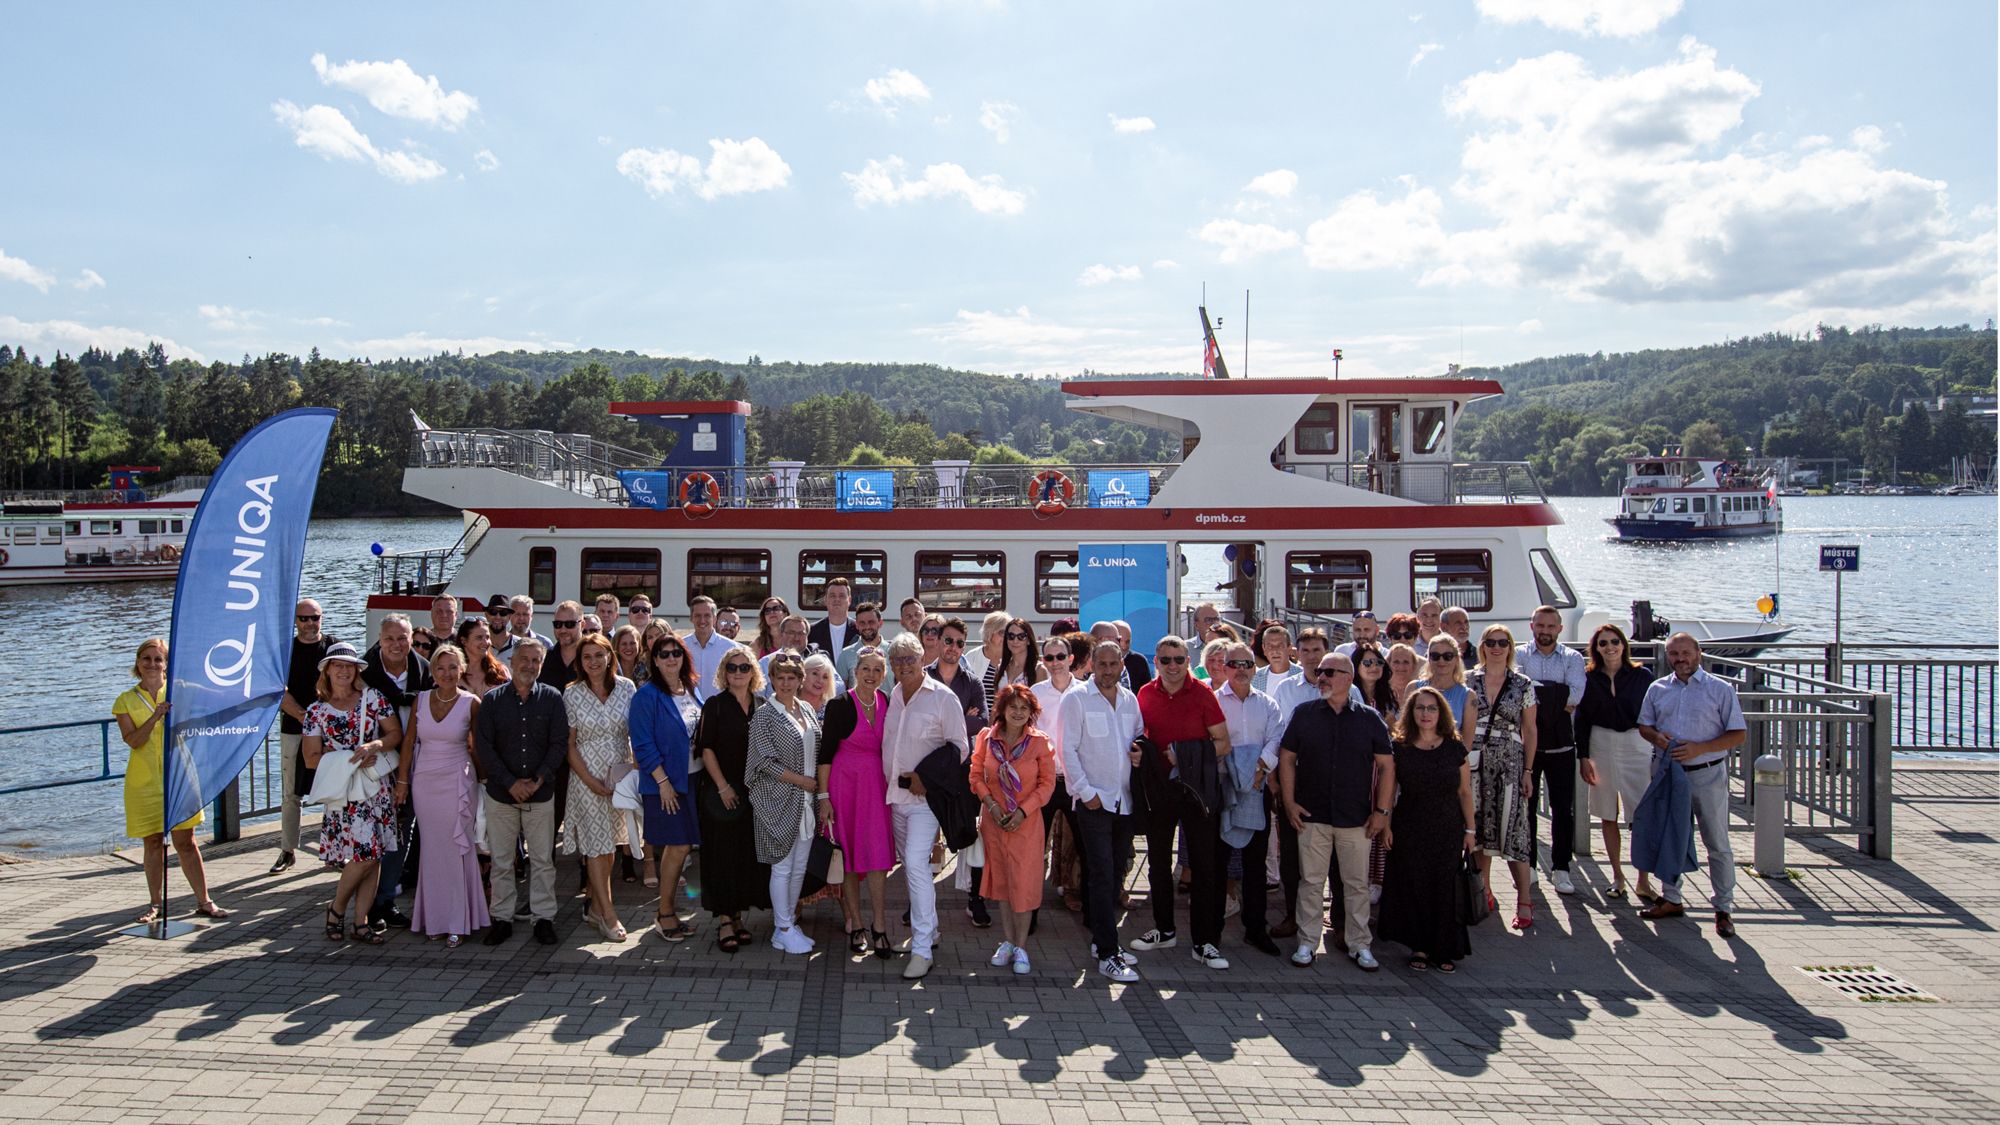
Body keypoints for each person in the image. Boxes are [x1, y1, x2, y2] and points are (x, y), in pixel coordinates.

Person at [1278, 652, 1393, 970]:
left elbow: (1387, 766)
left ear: (1348, 677)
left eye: (1329, 671)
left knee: (1356, 884)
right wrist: (1288, 802)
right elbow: (1286, 757)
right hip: (1312, 815)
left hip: (1356, 817)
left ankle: (1360, 944)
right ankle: (1307, 942)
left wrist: (1382, 811)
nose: (1322, 677)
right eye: (1319, 672)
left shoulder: (1369, 718)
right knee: (1310, 882)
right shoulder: (1304, 714)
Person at [1132, 635, 1234, 970]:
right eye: (1165, 660)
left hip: (1197, 790)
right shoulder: (1145, 694)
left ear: (1188, 661)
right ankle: (1164, 929)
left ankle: (1204, 941)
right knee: (1158, 863)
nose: (1172, 666)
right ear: (1156, 662)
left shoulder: (1202, 693)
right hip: (1160, 790)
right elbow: (1138, 735)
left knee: (1204, 866)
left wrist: (1184, 756)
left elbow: (1223, 743)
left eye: (1178, 659)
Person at [1637, 633, 1747, 938]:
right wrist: (1657, 738)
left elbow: (1738, 734)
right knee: (1670, 835)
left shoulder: (1720, 689)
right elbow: (1645, 725)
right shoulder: (1657, 688)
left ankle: (1723, 908)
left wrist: (1702, 748)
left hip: (1707, 773)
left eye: (1685, 652)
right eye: (1674, 654)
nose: (1680, 659)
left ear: (1698, 653)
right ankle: (1671, 897)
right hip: (1670, 773)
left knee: (1717, 842)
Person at [116, 637, 225, 924]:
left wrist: (262, 690)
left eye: (158, 659)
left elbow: (218, 695)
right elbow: (134, 741)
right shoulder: (125, 701)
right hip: (144, 782)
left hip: (180, 775)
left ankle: (205, 901)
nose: (152, 664)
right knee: (152, 843)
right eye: (146, 659)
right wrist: (155, 717)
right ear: (138, 664)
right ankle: (155, 904)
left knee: (186, 841)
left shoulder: (179, 691)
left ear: (166, 664)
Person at [882, 632, 971, 979]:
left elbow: (960, 747)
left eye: (909, 658)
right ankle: (930, 929)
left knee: (918, 865)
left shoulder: (943, 698)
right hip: (895, 797)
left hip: (924, 799)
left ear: (923, 659)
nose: (903, 665)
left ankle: (921, 949)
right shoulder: (893, 694)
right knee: (909, 865)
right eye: (897, 660)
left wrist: (926, 777)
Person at [302, 641, 403, 944]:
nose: (343, 671)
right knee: (366, 854)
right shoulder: (315, 711)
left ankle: (361, 922)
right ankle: (337, 908)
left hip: (375, 788)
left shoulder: (373, 699)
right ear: (327, 671)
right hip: (345, 792)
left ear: (357, 670)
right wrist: (351, 759)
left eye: (348, 666)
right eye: (337, 666)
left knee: (373, 856)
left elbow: (395, 734)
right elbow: (310, 758)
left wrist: (374, 745)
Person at [475, 639, 570, 947]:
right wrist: (510, 782)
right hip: (502, 794)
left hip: (540, 794)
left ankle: (543, 917)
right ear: (512, 662)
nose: (530, 665)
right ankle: (501, 918)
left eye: (536, 661)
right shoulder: (492, 700)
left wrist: (537, 779)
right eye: (524, 659)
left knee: (542, 859)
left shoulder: (553, 698)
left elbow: (559, 743)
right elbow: (484, 746)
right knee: (502, 860)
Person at [1374, 686, 1474, 972]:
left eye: (1431, 708)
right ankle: (1418, 946)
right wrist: (1387, 826)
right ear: (1411, 712)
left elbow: (1465, 792)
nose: (1425, 714)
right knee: (1415, 886)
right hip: (1410, 825)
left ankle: (1443, 948)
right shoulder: (1400, 748)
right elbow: (1390, 791)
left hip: (1447, 827)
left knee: (1443, 887)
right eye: (1420, 708)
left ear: (1441, 712)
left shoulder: (1455, 748)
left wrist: (1470, 831)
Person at [1060, 641, 1144, 981]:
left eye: (1114, 664)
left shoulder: (1129, 700)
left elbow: (1138, 738)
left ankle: (1101, 938)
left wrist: (1141, 753)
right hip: (1094, 801)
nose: (1108, 671)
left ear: (1122, 664)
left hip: (1124, 801)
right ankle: (1108, 953)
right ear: (1091, 664)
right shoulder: (1076, 699)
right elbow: (1068, 749)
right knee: (1100, 872)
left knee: (1114, 873)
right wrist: (1086, 792)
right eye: (1102, 664)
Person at [398, 643, 487, 948]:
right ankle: (434, 919)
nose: (447, 673)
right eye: (440, 667)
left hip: (458, 781)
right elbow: (409, 742)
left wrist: (486, 781)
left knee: (457, 849)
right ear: (432, 671)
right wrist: (402, 782)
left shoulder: (471, 702)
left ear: (462, 669)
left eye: (453, 667)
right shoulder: (420, 700)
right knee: (433, 851)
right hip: (424, 782)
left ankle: (459, 921)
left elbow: (479, 747)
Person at [970, 684, 1058, 975]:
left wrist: (1023, 811)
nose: (1018, 713)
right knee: (1004, 883)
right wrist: (992, 805)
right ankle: (1007, 941)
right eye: (1013, 707)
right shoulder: (987, 738)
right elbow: (976, 774)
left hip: (1026, 823)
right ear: (1003, 710)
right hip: (995, 821)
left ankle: (1022, 946)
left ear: (1032, 713)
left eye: (1024, 708)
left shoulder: (1039, 743)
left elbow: (1047, 785)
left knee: (1024, 882)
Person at [695, 645, 772, 951]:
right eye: (732, 668)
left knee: (744, 856)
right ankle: (725, 919)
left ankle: (738, 916)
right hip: (721, 791)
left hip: (755, 792)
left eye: (744, 667)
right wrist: (723, 787)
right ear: (723, 673)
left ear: (753, 672)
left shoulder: (763, 705)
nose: (738, 673)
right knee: (721, 854)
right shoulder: (714, 705)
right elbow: (706, 747)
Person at [820, 649, 896, 958]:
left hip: (875, 787)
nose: (871, 675)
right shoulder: (839, 705)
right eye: (866, 668)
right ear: (855, 671)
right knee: (849, 857)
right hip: (844, 786)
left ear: (884, 674)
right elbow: (824, 755)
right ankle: (858, 925)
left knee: (878, 858)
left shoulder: (885, 702)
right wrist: (824, 797)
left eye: (878, 670)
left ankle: (880, 926)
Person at [748, 652, 825, 955]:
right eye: (780, 677)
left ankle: (789, 923)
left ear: (799, 680)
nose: (786, 683)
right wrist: (801, 780)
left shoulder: (806, 708)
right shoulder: (765, 715)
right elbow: (762, 761)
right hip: (778, 799)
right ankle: (781, 928)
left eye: (792, 677)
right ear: (772, 680)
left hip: (806, 801)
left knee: (799, 867)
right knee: (781, 866)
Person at [564, 633, 638, 942]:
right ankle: (608, 916)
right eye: (587, 657)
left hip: (619, 779)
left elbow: (634, 734)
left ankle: (595, 907)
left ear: (610, 656)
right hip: (586, 779)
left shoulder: (627, 688)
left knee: (610, 849)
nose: (593, 661)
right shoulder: (571, 694)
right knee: (597, 847)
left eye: (599, 655)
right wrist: (591, 781)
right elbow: (569, 746)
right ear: (580, 662)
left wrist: (632, 771)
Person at [1577, 624, 1658, 902]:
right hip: (1601, 743)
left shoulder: (1641, 676)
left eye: (1614, 641)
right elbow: (1583, 718)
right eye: (1603, 643)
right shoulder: (1589, 678)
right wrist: (1583, 756)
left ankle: (1643, 879)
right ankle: (1617, 876)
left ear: (1623, 645)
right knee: (1607, 813)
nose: (1609, 647)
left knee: (1641, 815)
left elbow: (1654, 712)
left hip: (1635, 744)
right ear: (1595, 648)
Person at [362, 614, 433, 931]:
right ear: (380, 639)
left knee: (401, 834)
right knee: (371, 837)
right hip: (374, 765)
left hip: (417, 762)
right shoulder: (364, 674)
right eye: (389, 638)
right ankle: (364, 903)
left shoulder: (424, 670)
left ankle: (386, 899)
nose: (396, 644)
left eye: (402, 638)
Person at [1467, 625, 1539, 930]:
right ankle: (1483, 892)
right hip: (1474, 759)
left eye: (1503, 643)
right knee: (1479, 829)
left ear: (1510, 648)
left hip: (1508, 761)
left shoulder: (1522, 684)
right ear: (1482, 646)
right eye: (1491, 642)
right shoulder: (1469, 680)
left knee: (1514, 829)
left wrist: (1528, 771)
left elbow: (1530, 730)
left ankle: (1524, 898)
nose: (1497, 647)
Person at [632, 632, 703, 938]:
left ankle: (671, 909)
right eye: (664, 654)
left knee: (685, 845)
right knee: (677, 847)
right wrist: (662, 782)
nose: (671, 658)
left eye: (676, 653)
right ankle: (665, 913)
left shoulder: (690, 689)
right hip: (667, 784)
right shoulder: (646, 696)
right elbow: (643, 744)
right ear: (655, 660)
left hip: (694, 779)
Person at [1214, 642, 1284, 956]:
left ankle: (1255, 928)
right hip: (1223, 788)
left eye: (1247, 664)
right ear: (1224, 667)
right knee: (1219, 862)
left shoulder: (1268, 704)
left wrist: (1260, 768)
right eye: (1234, 664)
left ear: (1254, 669)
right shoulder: (1213, 701)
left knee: (1255, 865)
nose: (1241, 670)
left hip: (1258, 788)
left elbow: (1276, 738)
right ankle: (1211, 929)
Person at [1265, 626, 1330, 940]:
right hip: (1295, 781)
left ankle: (1339, 922)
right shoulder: (1286, 690)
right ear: (1297, 654)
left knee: (1333, 857)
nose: (1312, 656)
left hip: (1333, 785)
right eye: (1306, 651)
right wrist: (1275, 781)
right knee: (1292, 856)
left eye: (1317, 650)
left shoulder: (1347, 686)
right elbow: (1275, 737)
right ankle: (1293, 915)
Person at [928, 616, 991, 927]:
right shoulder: (923, 677)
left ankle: (975, 898)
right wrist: (962, 720)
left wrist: (946, 724)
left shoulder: (972, 682)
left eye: (959, 643)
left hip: (963, 768)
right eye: (948, 640)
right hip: (928, 769)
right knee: (925, 840)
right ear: (938, 640)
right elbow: (919, 723)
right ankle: (920, 903)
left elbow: (984, 724)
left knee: (969, 833)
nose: (953, 647)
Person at [1520, 606, 1587, 896]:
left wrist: (1538, 697)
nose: (1545, 631)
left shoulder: (1573, 658)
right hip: (1527, 745)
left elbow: (1576, 695)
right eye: (1540, 625)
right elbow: (1519, 691)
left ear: (1560, 629)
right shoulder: (1520, 655)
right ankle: (1530, 865)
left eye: (1551, 626)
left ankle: (1561, 868)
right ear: (1532, 625)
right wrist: (1556, 695)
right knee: (1527, 808)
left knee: (1563, 810)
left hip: (1562, 745)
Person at [272, 597, 333, 874]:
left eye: (314, 618)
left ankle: (334, 848)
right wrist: (302, 716)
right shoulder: (284, 650)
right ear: (295, 621)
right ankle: (287, 850)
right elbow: (276, 688)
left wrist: (319, 720)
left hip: (329, 731)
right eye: (303, 618)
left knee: (333, 791)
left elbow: (345, 682)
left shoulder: (332, 647)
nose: (309, 624)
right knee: (291, 792)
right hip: (293, 727)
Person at [1031, 636, 1087, 912]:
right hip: (1045, 780)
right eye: (1049, 658)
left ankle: (1087, 900)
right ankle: (1030, 906)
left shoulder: (1087, 692)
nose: (1055, 663)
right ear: (1043, 661)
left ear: (1071, 659)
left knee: (1083, 844)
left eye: (1060, 657)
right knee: (1036, 846)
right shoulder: (1036, 693)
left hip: (1076, 781)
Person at [1411, 635, 1475, 732]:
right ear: (1428, 658)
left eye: (1447, 656)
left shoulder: (1468, 695)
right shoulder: (1413, 688)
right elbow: (1406, 728)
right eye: (1435, 656)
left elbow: (1467, 742)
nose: (1441, 661)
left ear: (1457, 659)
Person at [982, 616, 1043, 716]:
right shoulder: (1001, 668)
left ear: (1028, 640)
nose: (1015, 641)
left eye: (1021, 636)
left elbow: (1040, 709)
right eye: (1011, 636)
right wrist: (990, 730)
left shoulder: (1039, 670)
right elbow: (996, 707)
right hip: (1002, 727)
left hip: (1028, 727)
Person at [684, 596, 736, 698]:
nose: (702, 620)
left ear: (715, 618)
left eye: (707, 615)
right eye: (697, 615)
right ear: (691, 618)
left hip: (720, 710)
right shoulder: (681, 646)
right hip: (688, 710)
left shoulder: (731, 648)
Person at [456, 618, 509, 697]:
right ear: (464, 641)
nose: (486, 642)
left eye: (487, 637)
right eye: (479, 638)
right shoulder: (452, 672)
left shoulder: (500, 671)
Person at [836, 601, 887, 683]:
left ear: (880, 623)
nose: (867, 627)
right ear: (857, 625)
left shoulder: (893, 652)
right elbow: (841, 690)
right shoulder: (845, 654)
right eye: (862, 623)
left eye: (871, 622)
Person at [758, 614, 814, 685]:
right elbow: (758, 693)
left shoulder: (818, 662)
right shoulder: (765, 663)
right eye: (791, 633)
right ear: (781, 635)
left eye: (801, 633)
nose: (796, 638)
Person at [541, 600, 586, 690]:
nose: (563, 630)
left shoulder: (597, 656)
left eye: (570, 624)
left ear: (582, 625)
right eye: (558, 624)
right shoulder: (544, 659)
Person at [808, 577, 856, 656]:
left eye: (841, 596)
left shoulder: (859, 630)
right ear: (825, 600)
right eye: (832, 595)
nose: (837, 599)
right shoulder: (812, 631)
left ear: (849, 600)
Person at [1251, 622, 1299, 693]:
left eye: (1280, 646)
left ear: (1289, 648)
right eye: (1270, 646)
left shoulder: (1302, 676)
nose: (1275, 650)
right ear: (1264, 649)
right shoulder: (1256, 678)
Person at [412, 593, 459, 661]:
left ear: (456, 615)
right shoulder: (420, 641)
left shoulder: (463, 641)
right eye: (439, 611)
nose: (444, 615)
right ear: (432, 612)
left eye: (449, 611)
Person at [969, 609, 1012, 681]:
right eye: (1002, 632)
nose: (1006, 636)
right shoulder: (972, 656)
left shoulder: (1013, 657)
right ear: (989, 633)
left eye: (1009, 633)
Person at [1115, 621, 1152, 689]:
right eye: (1120, 640)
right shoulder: (1097, 660)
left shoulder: (1139, 661)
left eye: (1127, 641)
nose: (1124, 646)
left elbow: (1146, 691)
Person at [1386, 643, 1422, 711]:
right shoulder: (1380, 690)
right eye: (1396, 662)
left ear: (1414, 666)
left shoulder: (1421, 690)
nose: (1401, 666)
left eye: (1406, 662)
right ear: (1389, 664)